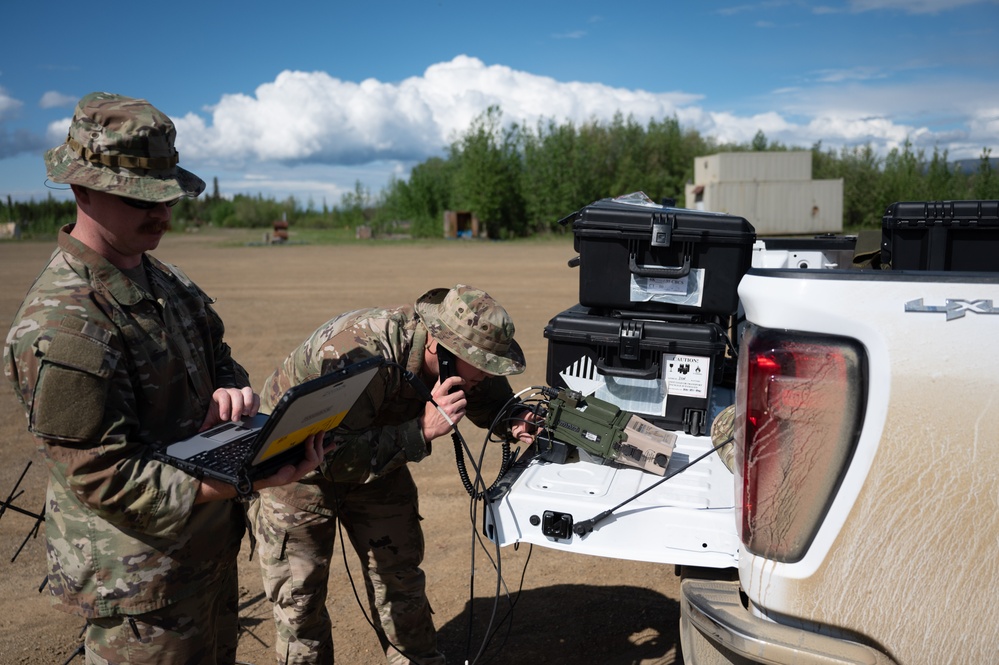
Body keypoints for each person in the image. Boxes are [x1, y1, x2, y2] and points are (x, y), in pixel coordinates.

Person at [3, 91, 328, 665]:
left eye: (166, 197)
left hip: (201, 551)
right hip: (138, 585)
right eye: (139, 199)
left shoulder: (163, 279)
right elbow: (100, 475)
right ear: (82, 190)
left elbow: (218, 353)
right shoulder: (65, 322)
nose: (162, 214)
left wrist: (230, 389)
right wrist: (236, 483)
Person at [254, 284, 539, 665]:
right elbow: (326, 457)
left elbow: (489, 400)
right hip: (296, 470)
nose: (487, 376)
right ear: (440, 347)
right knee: (299, 599)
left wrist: (515, 420)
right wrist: (420, 431)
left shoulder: (465, 367)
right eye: (482, 365)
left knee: (399, 577)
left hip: (379, 455)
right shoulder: (357, 354)